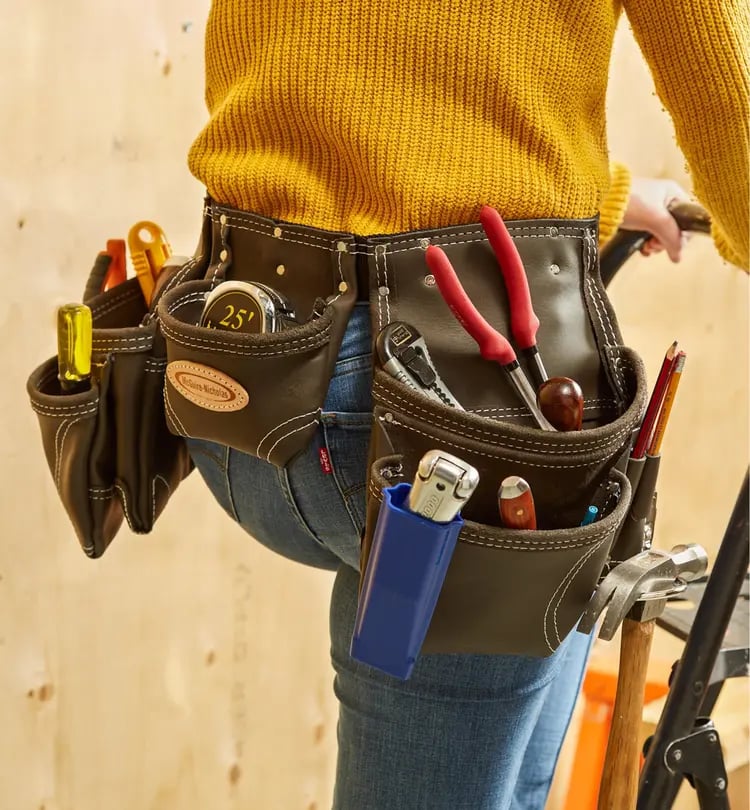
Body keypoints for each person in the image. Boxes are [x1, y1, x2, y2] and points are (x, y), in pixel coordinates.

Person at [181, 2, 749, 808]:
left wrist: (602, 190)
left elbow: (373, 59)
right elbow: (729, 100)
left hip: (242, 372)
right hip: (444, 408)